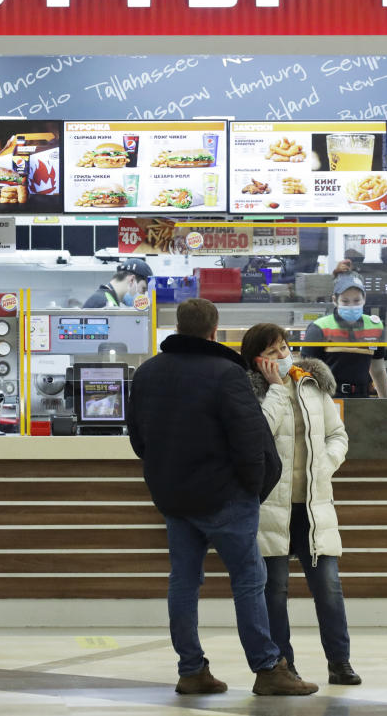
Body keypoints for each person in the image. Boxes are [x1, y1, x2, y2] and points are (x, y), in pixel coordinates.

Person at [127, 298, 317, 696]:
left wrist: (167, 479)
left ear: (179, 328)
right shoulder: (226, 373)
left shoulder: (147, 373)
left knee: (183, 582)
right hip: (227, 499)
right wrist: (253, 488)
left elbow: (140, 439)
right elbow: (251, 441)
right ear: (214, 331)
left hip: (176, 500)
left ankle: (191, 669)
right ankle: (268, 669)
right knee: (248, 581)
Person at [241, 323, 362, 687]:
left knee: (328, 586)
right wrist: (276, 391)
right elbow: (257, 435)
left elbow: (337, 434)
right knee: (274, 592)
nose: (282, 356)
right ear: (256, 359)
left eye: (285, 348)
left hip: (312, 505)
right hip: (271, 507)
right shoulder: (249, 392)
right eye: (273, 351)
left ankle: (339, 662)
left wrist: (326, 464)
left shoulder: (312, 384)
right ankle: (283, 666)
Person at [300, 274, 387, 398]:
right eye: (345, 301)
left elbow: (378, 369)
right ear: (334, 300)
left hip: (362, 399)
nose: (351, 306)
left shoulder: (375, 326)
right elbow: (305, 373)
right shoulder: (319, 328)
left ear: (364, 299)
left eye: (357, 300)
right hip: (329, 399)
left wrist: (386, 402)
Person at [82, 258, 153, 308]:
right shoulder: (106, 304)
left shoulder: (106, 298)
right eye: (143, 289)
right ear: (132, 280)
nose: (143, 295)